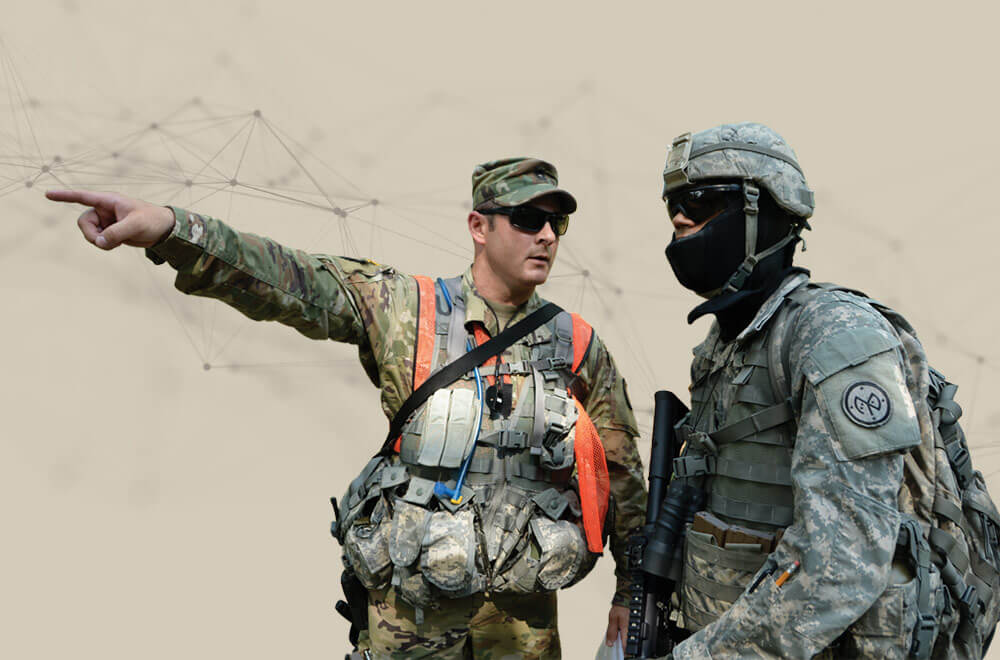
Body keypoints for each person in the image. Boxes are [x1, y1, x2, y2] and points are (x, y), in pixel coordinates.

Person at [46, 157, 646, 659]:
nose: (546, 235)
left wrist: (630, 593)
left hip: (521, 625)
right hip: (411, 618)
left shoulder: (577, 343)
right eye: (527, 219)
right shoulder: (403, 309)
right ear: (479, 226)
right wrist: (171, 229)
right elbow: (289, 279)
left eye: (557, 223)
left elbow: (623, 475)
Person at [655, 122, 930, 658]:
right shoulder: (728, 340)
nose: (679, 218)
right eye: (672, 205)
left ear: (765, 212)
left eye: (701, 200)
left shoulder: (837, 338)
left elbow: (842, 561)